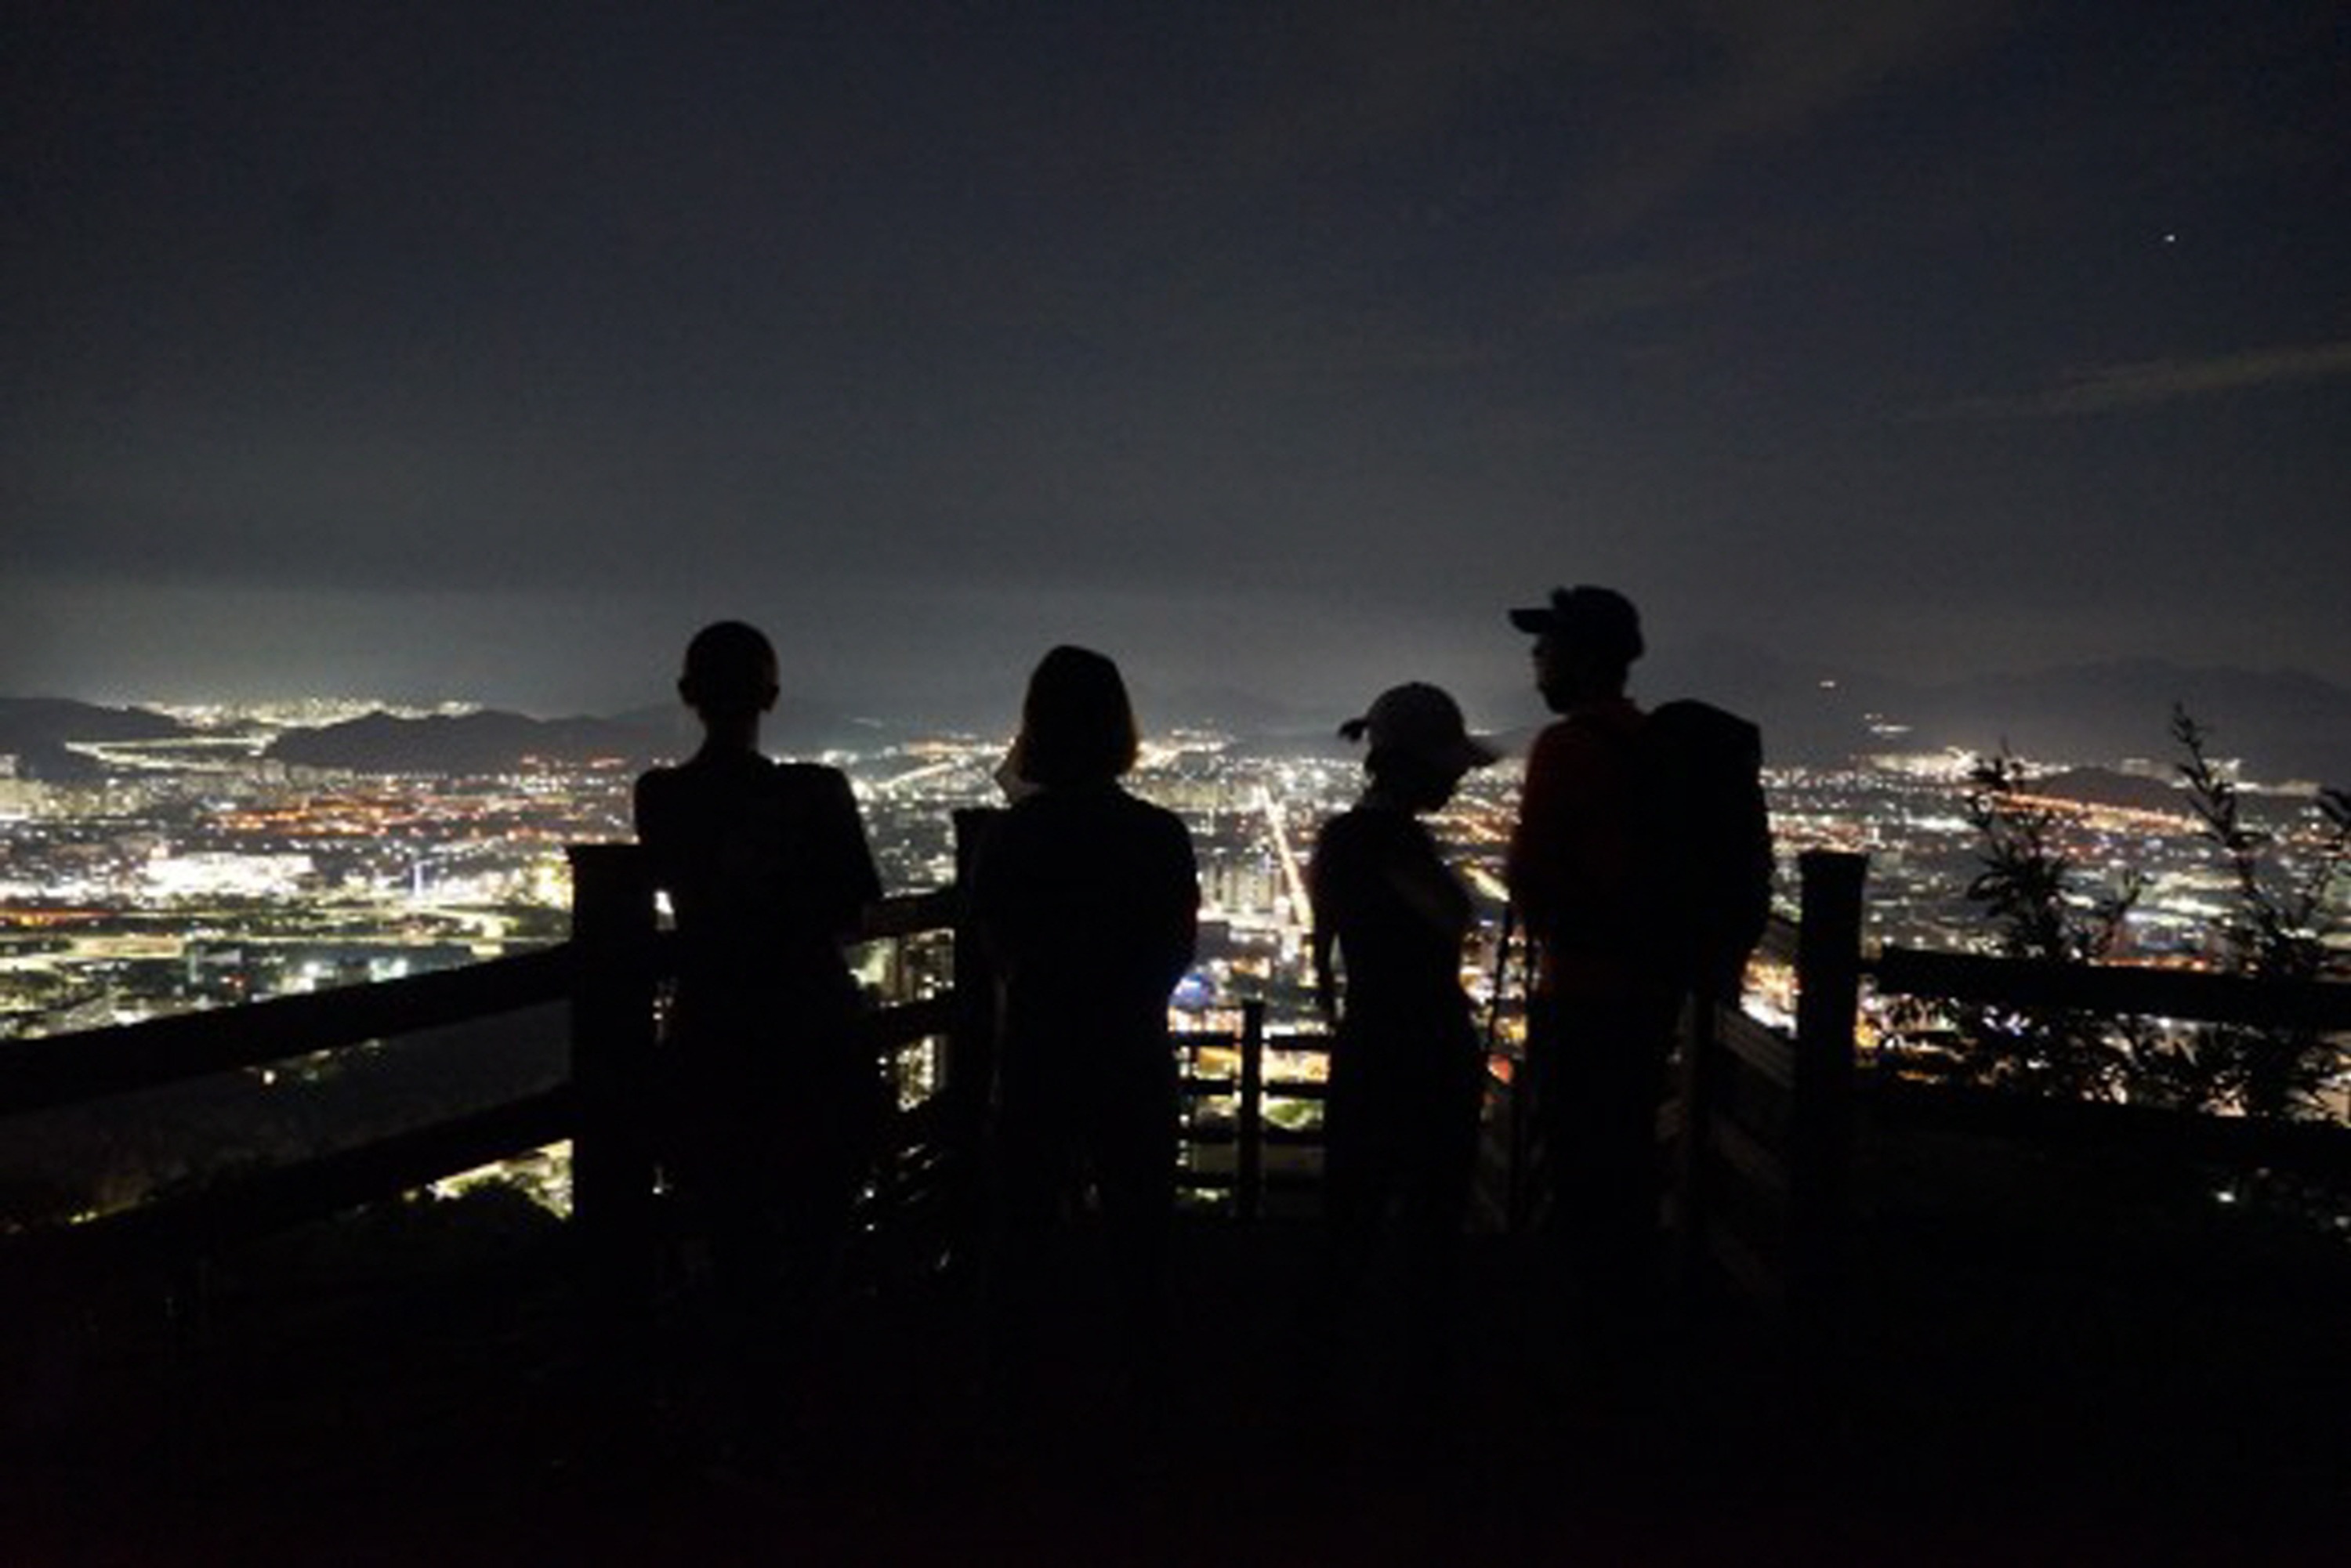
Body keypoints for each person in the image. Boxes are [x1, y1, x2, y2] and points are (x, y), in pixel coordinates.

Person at [632, 619, 884, 1462]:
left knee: (729, 1232)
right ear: (772, 697)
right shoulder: (819, 793)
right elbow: (856, 911)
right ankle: (807, 1406)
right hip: (814, 1028)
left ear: (687, 696)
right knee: (816, 1228)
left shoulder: (660, 797)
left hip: (712, 1034)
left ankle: (738, 1418)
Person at [970, 646, 1199, 1401]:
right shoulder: (1159, 835)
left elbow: (997, 943)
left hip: (1040, 1049)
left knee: (1022, 1232)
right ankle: (1147, 1390)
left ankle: (1015, 1393)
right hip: (1131, 1049)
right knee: (1141, 1237)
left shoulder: (1013, 837)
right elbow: (1173, 951)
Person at [1307, 682, 1496, 1397]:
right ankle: (1418, 1382)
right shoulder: (1387, 841)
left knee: (1350, 1219)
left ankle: (1325, 1372)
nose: (1455, 777)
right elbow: (1450, 919)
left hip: (1370, 1042)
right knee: (1429, 1224)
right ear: (1411, 764)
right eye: (1445, 764)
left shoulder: (1346, 836)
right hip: (1422, 1048)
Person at [1502, 585, 1679, 1342]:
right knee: (1627, 1157)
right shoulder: (1649, 742)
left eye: (1548, 646)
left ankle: (1580, 1337)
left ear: (1581, 658)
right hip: (1650, 994)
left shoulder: (1571, 747)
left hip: (1583, 993)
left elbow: (1534, 875)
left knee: (1576, 1166)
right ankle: (1625, 1325)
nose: (1535, 657)